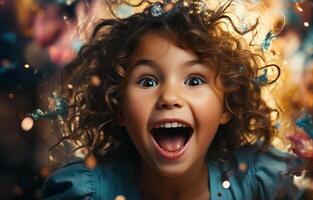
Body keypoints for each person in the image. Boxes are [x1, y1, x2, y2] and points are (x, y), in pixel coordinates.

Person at [42, 0, 299, 199]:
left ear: (226, 105)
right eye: (147, 82)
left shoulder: (264, 183)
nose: (169, 97)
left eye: (194, 81)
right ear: (118, 106)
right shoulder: (86, 192)